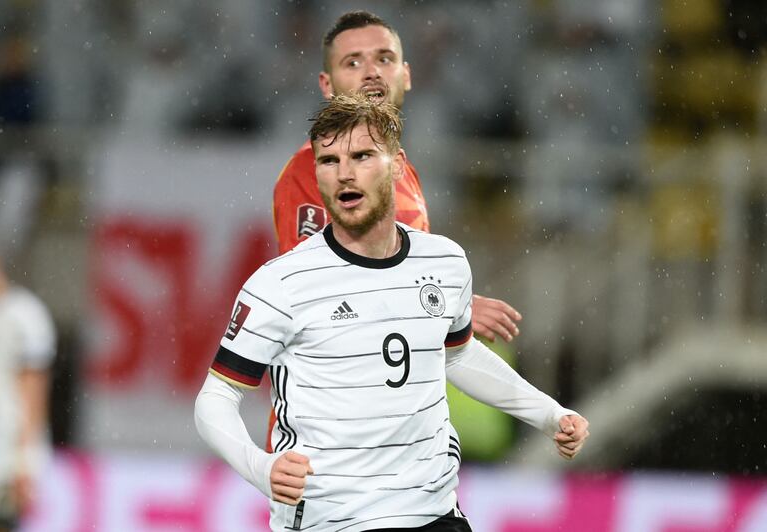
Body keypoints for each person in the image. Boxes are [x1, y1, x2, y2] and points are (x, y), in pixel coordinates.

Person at [196, 94, 589, 531]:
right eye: (328, 161)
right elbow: (215, 399)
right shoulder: (282, 285)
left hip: (434, 515)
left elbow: (457, 356)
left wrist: (547, 413)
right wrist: (259, 467)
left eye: (362, 156)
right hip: (332, 521)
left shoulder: (445, 262)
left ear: (397, 166)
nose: (344, 173)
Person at [272, 10, 521, 345]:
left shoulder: (402, 172)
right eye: (353, 63)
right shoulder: (310, 169)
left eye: (384, 59)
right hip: (331, 391)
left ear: (406, 75)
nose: (372, 72)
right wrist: (444, 305)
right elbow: (318, 293)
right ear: (327, 85)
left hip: (393, 387)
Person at [0, 242, 57, 531]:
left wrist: (26, 461)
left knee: (0, 523)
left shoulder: (25, 315)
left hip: (1, 452)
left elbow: (33, 393)